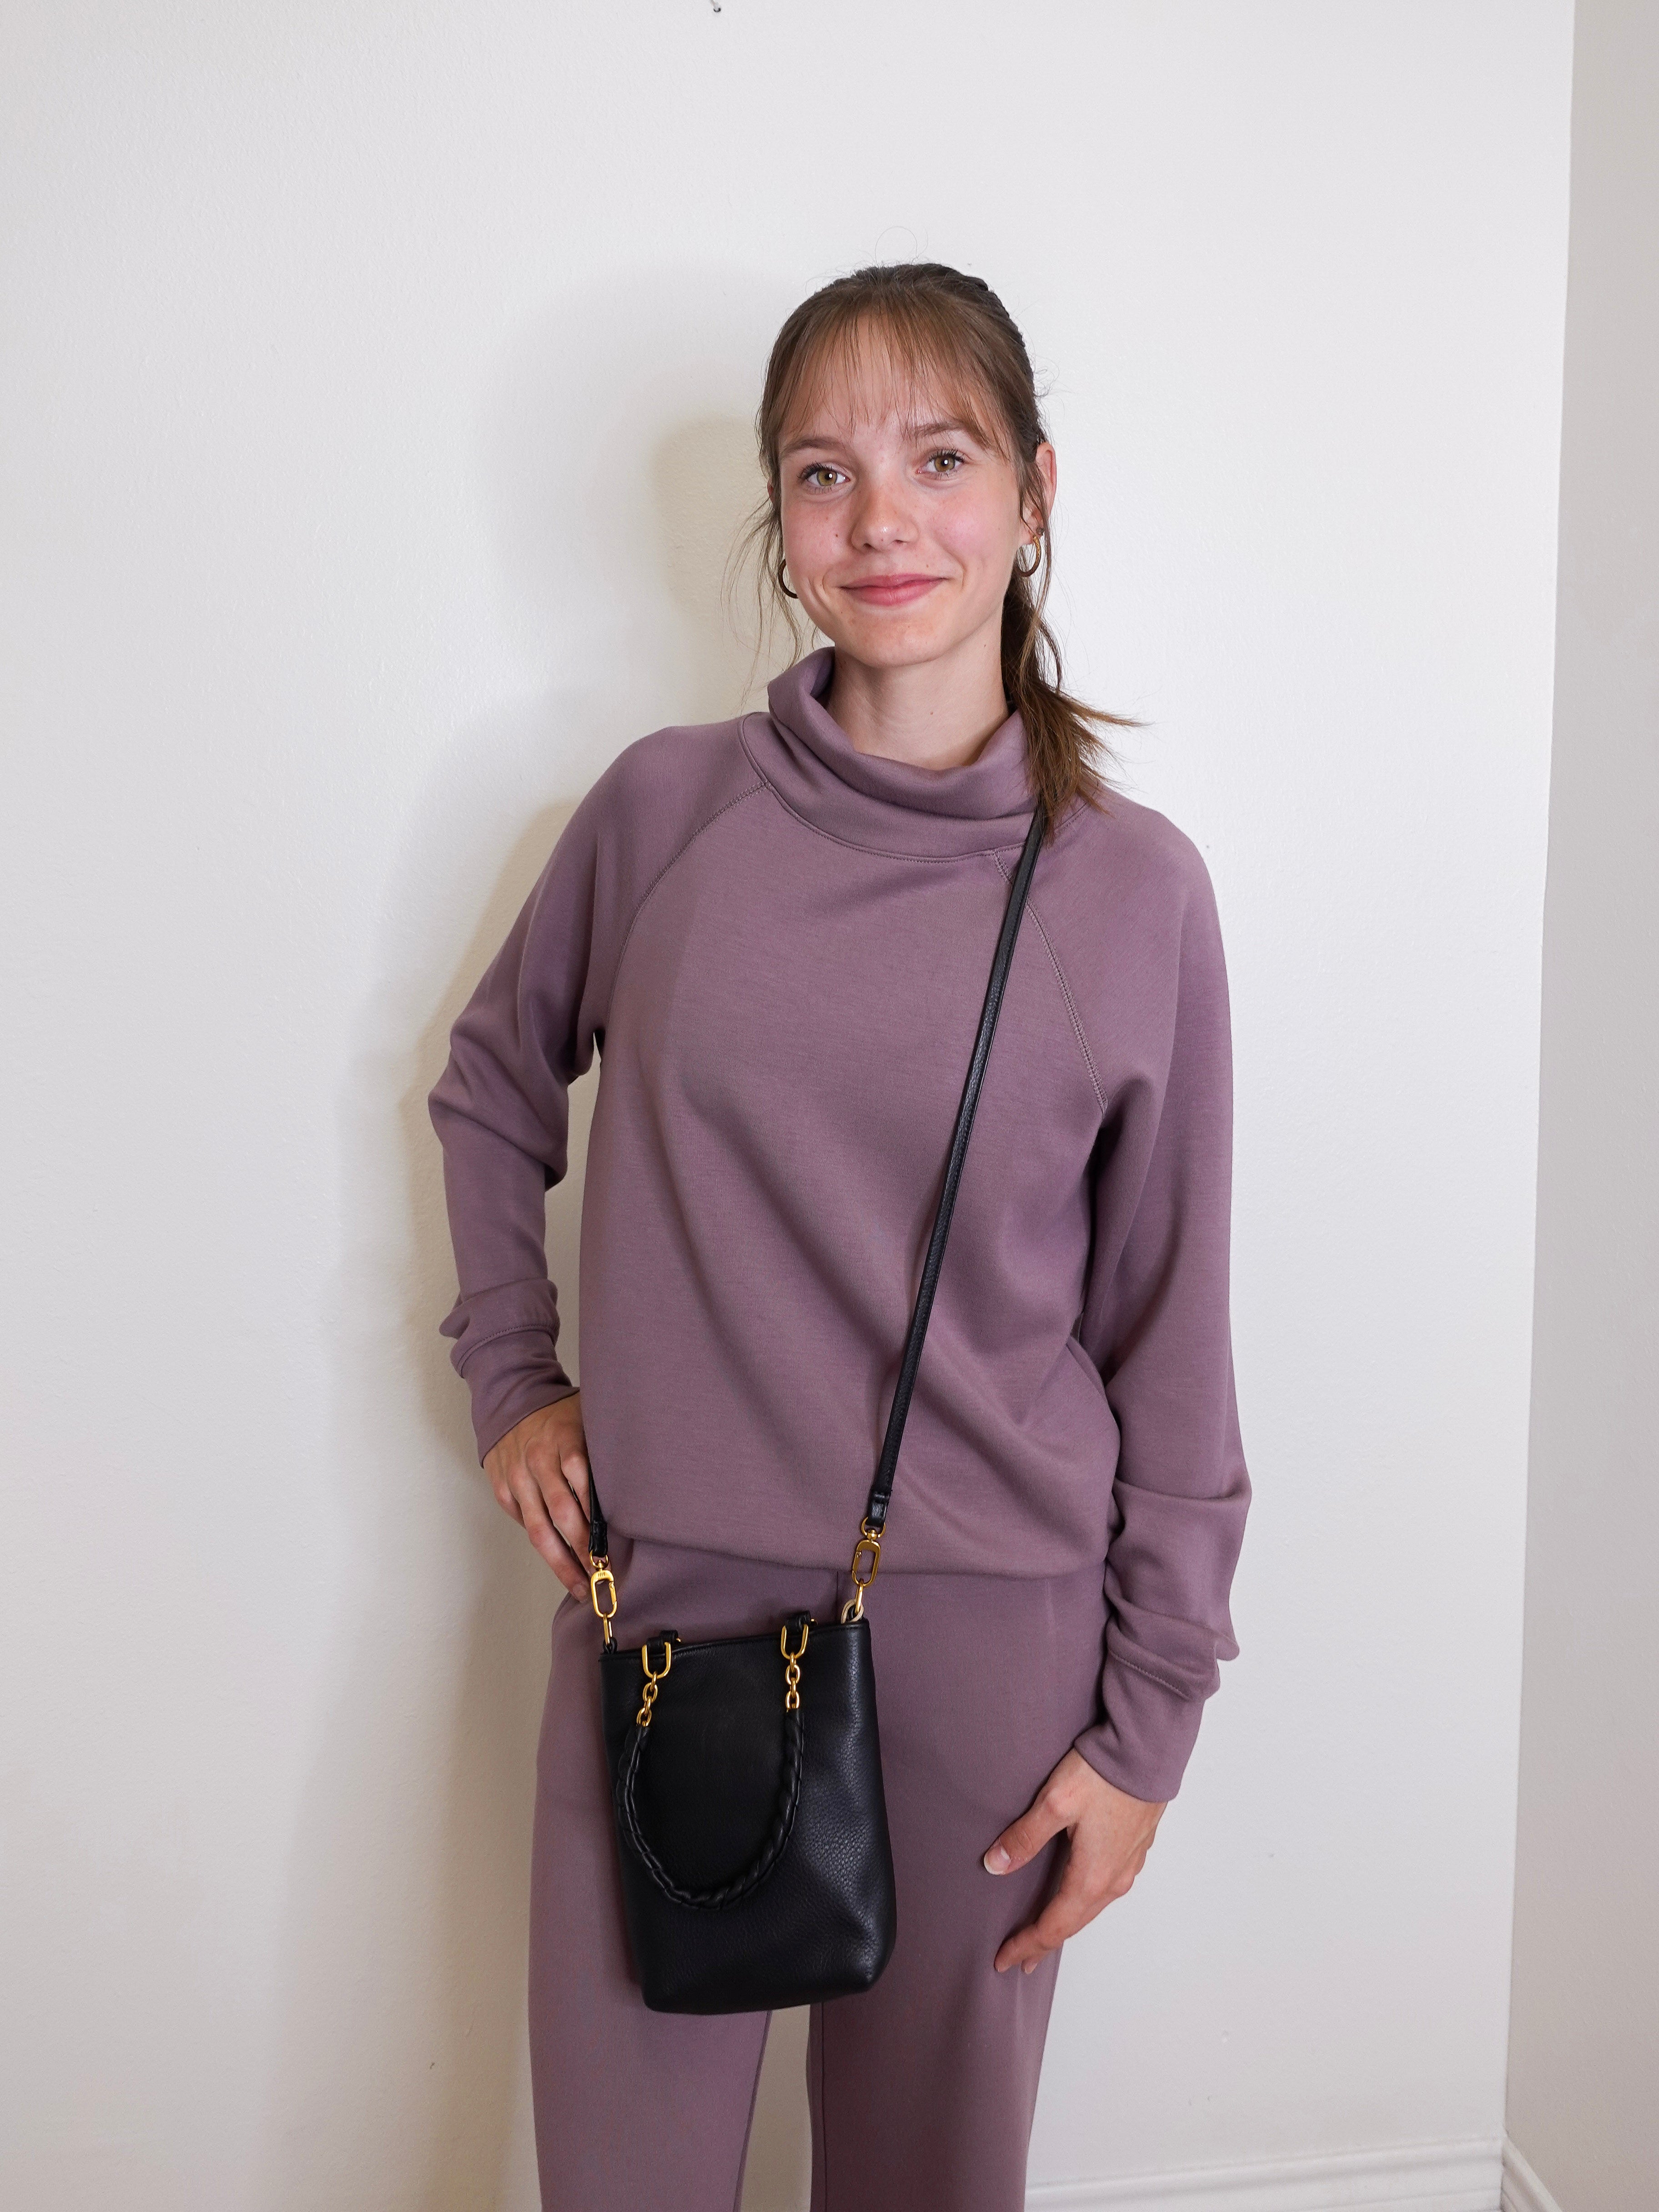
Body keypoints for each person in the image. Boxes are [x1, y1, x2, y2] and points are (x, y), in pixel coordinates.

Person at [427, 261, 1251, 2212]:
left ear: (1037, 492)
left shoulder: (1134, 894)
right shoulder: (659, 816)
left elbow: (1172, 1336)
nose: (882, 519)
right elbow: (487, 1086)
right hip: (667, 1620)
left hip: (991, 1649)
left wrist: (1151, 1732)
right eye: (823, 472)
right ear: (780, 527)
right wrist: (512, 1379)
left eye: (939, 457)